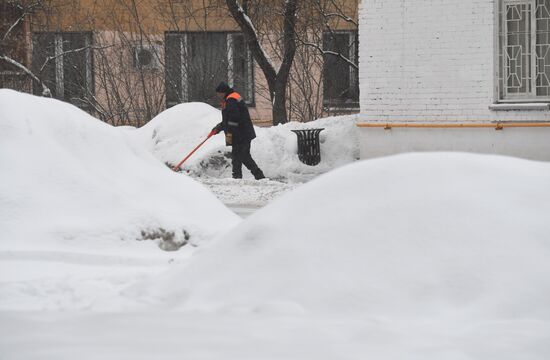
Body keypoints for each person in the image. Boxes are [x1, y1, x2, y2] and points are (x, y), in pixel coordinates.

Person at [212, 82, 265, 180]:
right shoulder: (232, 97)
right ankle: (259, 176)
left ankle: (237, 178)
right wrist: (219, 127)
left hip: (240, 134)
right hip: (243, 133)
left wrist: (231, 133)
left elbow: (234, 118)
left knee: (237, 157)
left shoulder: (231, 100)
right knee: (244, 156)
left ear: (223, 92)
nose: (218, 95)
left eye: (219, 93)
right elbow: (229, 118)